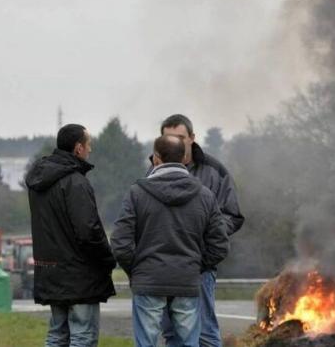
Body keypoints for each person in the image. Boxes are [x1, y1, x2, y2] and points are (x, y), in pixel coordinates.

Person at [112, 135, 229, 347]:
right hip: (187, 279)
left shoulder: (137, 193)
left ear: (156, 158)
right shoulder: (205, 196)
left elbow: (120, 243)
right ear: (184, 158)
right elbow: (220, 245)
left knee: (146, 343)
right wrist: (196, 266)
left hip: (148, 280)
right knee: (188, 343)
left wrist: (136, 270)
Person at [156, 114, 244, 347]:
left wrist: (204, 244)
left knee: (204, 333)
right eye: (169, 138)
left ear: (192, 138)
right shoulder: (153, 171)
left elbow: (232, 215)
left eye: (180, 137)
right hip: (164, 266)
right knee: (172, 334)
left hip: (200, 267)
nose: (175, 142)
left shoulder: (214, 171)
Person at [26, 124, 116, 347]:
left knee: (57, 333)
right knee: (82, 335)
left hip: (51, 272)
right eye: (88, 145)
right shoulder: (75, 182)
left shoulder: (39, 182)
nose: (90, 150)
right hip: (80, 275)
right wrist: (107, 259)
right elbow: (88, 231)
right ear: (78, 148)